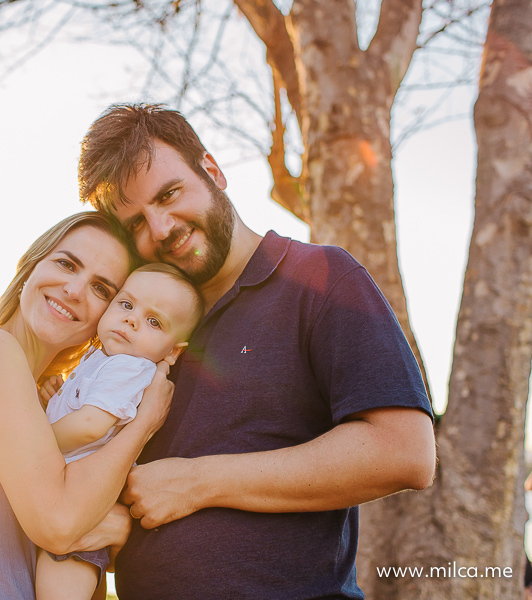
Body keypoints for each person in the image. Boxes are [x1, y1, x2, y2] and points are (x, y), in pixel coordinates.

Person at [77, 103, 437, 599]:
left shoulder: (322, 278)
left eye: (169, 194)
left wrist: (199, 481)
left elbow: (405, 452)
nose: (161, 229)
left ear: (212, 171)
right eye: (136, 221)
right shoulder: (135, 326)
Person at [0, 211, 175, 600]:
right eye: (67, 264)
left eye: (102, 289)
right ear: (31, 265)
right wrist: (143, 422)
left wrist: (118, 527)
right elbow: (60, 525)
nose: (74, 290)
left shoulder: (37, 396)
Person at [36, 263, 204, 600]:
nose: (132, 320)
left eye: (154, 322)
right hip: (62, 498)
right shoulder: (101, 358)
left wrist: (27, 437)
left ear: (173, 351)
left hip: (83, 511)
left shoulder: (130, 367)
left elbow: (89, 426)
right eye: (126, 305)